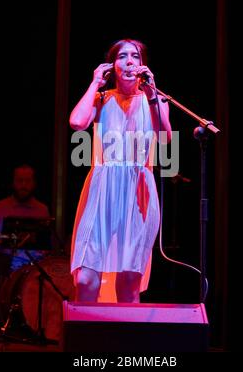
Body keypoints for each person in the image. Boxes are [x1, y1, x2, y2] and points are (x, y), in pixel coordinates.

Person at [70, 39, 172, 302]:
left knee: (128, 283)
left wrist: (151, 94)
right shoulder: (102, 99)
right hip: (103, 188)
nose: (129, 61)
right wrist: (95, 83)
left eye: (135, 56)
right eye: (122, 57)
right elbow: (77, 122)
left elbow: (164, 138)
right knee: (86, 277)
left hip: (139, 192)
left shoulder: (156, 100)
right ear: (112, 66)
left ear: (142, 64)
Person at [0, 164, 51, 271]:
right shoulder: (0, 207)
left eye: (28, 181)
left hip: (33, 270)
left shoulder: (42, 209)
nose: (23, 185)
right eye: (20, 181)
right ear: (13, 183)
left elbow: (45, 247)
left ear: (34, 184)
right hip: (4, 267)